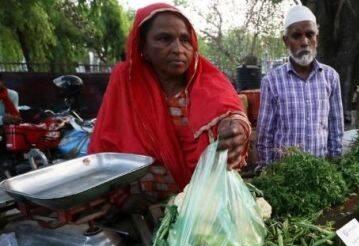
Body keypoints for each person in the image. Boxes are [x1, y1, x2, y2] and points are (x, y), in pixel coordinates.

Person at [89, 3, 251, 198]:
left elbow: (231, 114)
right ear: (143, 47)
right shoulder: (126, 83)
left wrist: (236, 129)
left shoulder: (208, 81)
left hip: (202, 205)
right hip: (142, 207)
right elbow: (106, 144)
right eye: (164, 39)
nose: (178, 49)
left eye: (185, 40)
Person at [256, 5, 344, 166]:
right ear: (286, 41)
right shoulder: (272, 81)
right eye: (296, 36)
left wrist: (335, 167)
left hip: (321, 173)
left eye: (310, 34)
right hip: (285, 176)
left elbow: (336, 129)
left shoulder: (331, 77)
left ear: (317, 38)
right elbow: (264, 136)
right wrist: (267, 172)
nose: (304, 42)